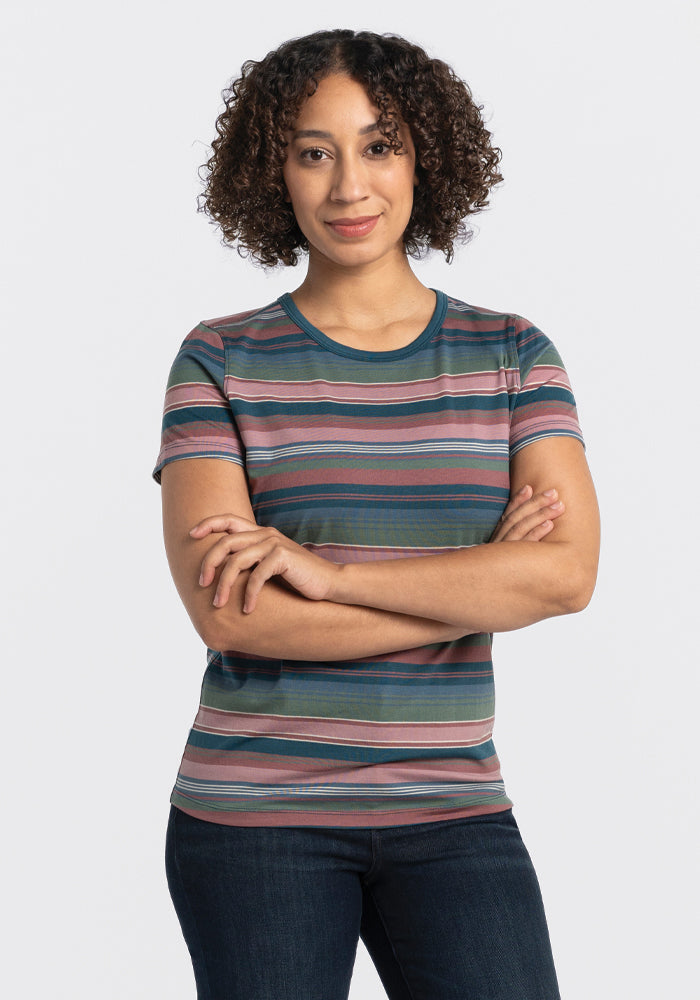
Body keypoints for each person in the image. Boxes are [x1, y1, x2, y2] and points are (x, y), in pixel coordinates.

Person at [154, 28, 600, 1000]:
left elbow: (564, 575)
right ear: (273, 171)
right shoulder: (219, 361)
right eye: (314, 151)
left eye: (379, 145)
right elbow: (235, 615)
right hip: (252, 820)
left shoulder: (511, 354)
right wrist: (479, 583)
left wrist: (329, 576)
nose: (348, 184)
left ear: (424, 156)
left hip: (455, 810)